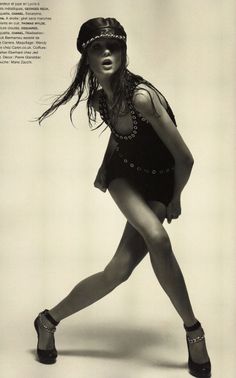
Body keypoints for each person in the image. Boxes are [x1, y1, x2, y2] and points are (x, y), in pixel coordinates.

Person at [34, 17, 211, 377]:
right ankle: (194, 331)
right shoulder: (103, 98)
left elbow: (185, 158)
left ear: (124, 51)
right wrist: (104, 170)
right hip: (125, 177)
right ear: (86, 57)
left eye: (113, 46)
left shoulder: (142, 97)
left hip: (162, 182)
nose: (106, 53)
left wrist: (176, 198)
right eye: (97, 48)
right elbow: (120, 135)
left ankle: (47, 320)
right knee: (158, 238)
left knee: (117, 272)